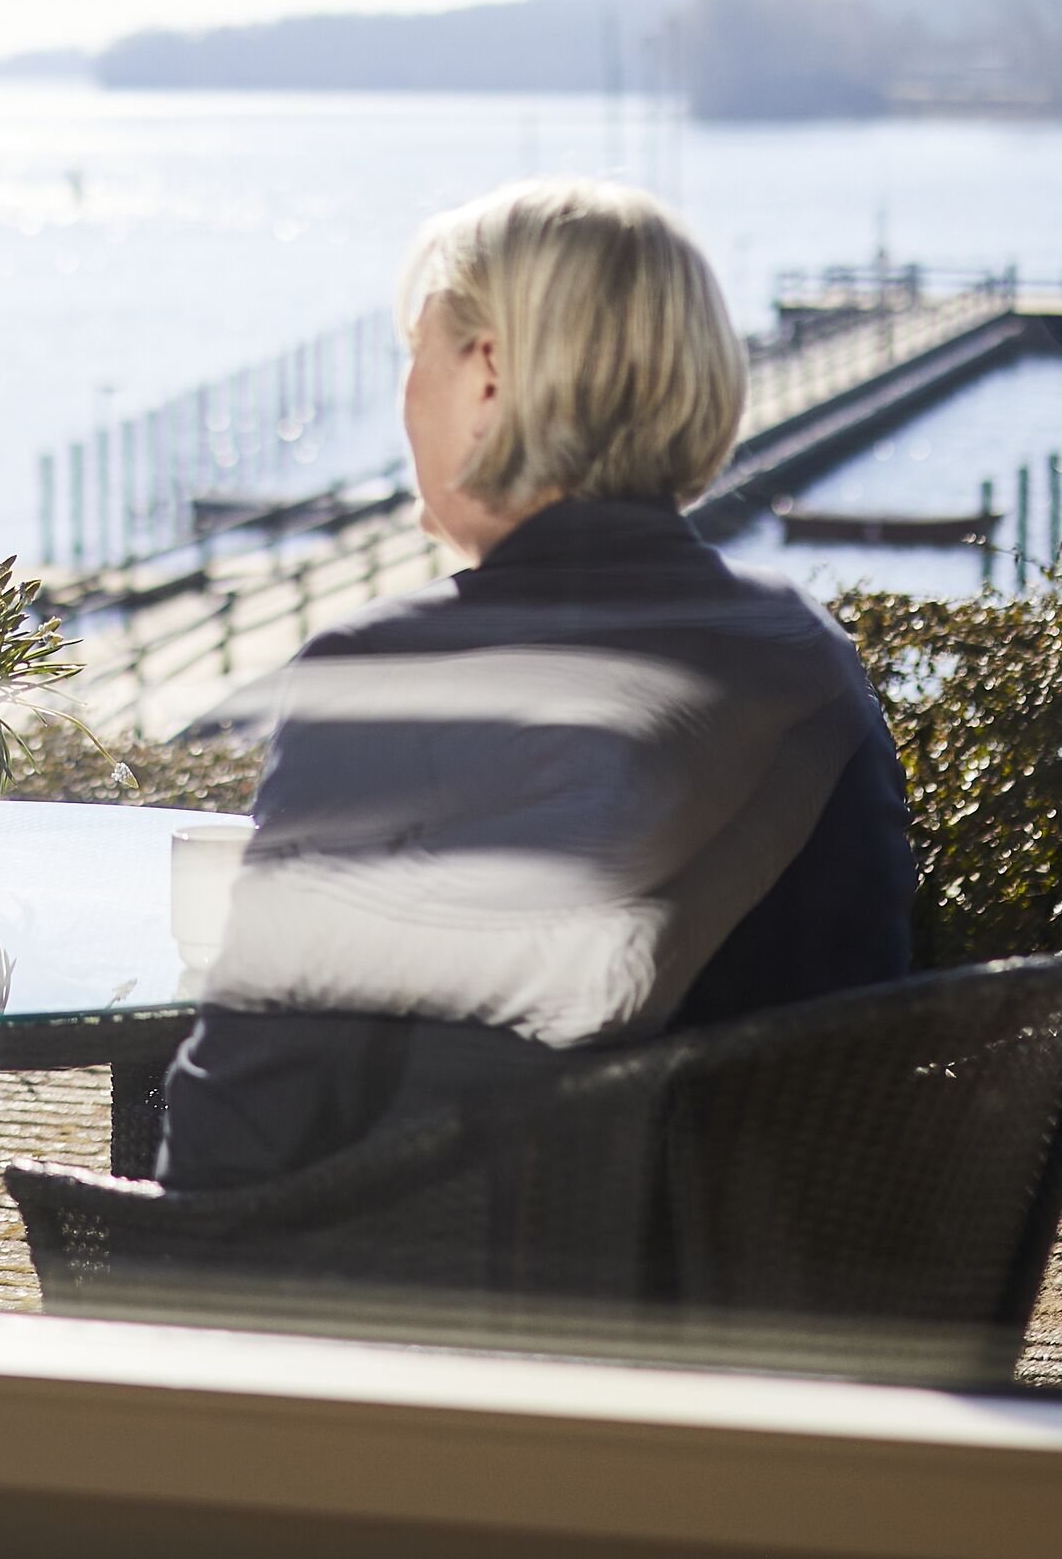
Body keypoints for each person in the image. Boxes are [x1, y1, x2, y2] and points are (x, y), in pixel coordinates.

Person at [155, 177, 915, 1190]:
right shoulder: (805, 651)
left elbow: (238, 1135)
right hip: (795, 1303)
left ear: (491, 376)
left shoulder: (393, 678)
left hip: (474, 1315)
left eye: (414, 355)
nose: (405, 396)